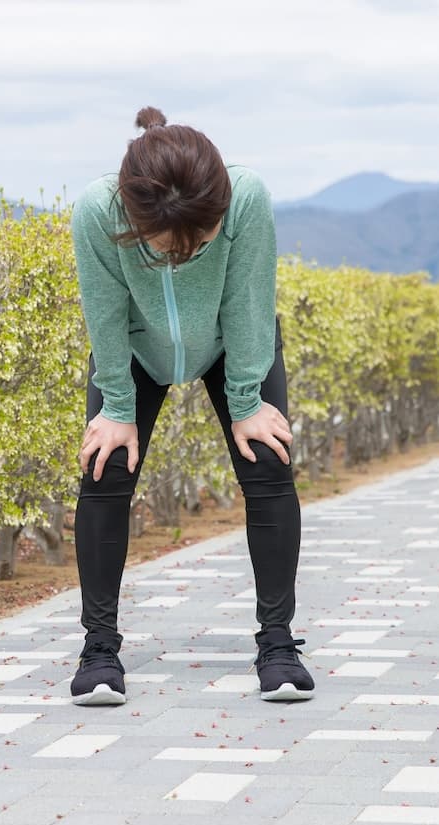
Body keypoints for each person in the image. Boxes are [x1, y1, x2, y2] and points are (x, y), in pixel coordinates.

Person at [69, 106, 314, 706]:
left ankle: (278, 647)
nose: (179, 257)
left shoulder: (246, 198)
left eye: (195, 245)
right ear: (132, 219)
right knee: (105, 470)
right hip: (134, 349)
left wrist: (247, 401)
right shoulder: (97, 212)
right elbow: (103, 315)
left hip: (235, 345)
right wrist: (117, 408)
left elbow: (250, 303)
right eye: (162, 248)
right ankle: (98, 651)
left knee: (269, 463)